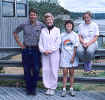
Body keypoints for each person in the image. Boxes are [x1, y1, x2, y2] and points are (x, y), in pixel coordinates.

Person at [13, 8, 44, 95]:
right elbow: (15, 32)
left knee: (36, 69)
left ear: (36, 16)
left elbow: (48, 33)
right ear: (29, 15)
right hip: (26, 49)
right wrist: (20, 44)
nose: (32, 16)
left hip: (36, 50)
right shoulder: (24, 24)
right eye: (31, 14)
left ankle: (33, 88)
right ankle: (28, 88)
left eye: (34, 14)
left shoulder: (41, 25)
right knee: (26, 70)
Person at [39, 13, 61, 95]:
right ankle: (48, 87)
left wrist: (51, 50)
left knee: (54, 70)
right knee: (46, 70)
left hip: (54, 54)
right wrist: (43, 50)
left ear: (53, 20)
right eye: (47, 20)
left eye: (50, 20)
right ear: (45, 21)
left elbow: (58, 42)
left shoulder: (57, 30)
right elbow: (40, 42)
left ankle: (53, 88)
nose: (49, 21)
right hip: (44, 54)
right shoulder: (43, 30)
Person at [60, 20, 79, 97]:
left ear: (72, 26)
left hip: (72, 57)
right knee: (64, 73)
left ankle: (71, 89)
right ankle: (64, 89)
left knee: (71, 73)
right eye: (67, 25)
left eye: (70, 25)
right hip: (64, 57)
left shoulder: (75, 35)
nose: (68, 26)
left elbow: (75, 47)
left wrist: (73, 57)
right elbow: (59, 47)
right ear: (65, 26)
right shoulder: (62, 35)